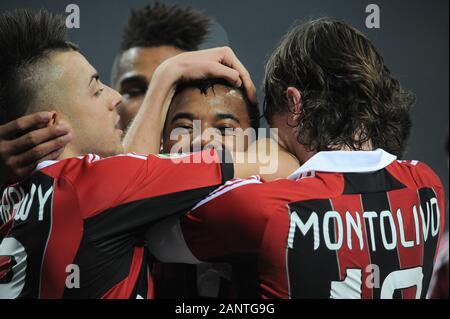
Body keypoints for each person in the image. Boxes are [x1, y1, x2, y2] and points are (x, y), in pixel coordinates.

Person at [146, 18, 446, 299]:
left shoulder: (263, 207)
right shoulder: (428, 185)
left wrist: (166, 75)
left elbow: (149, 232)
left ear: (294, 103)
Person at [0, 8, 278, 299]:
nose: (115, 99)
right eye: (96, 90)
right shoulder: (103, 183)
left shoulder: (13, 197)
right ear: (53, 122)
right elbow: (273, 162)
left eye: (225, 129)